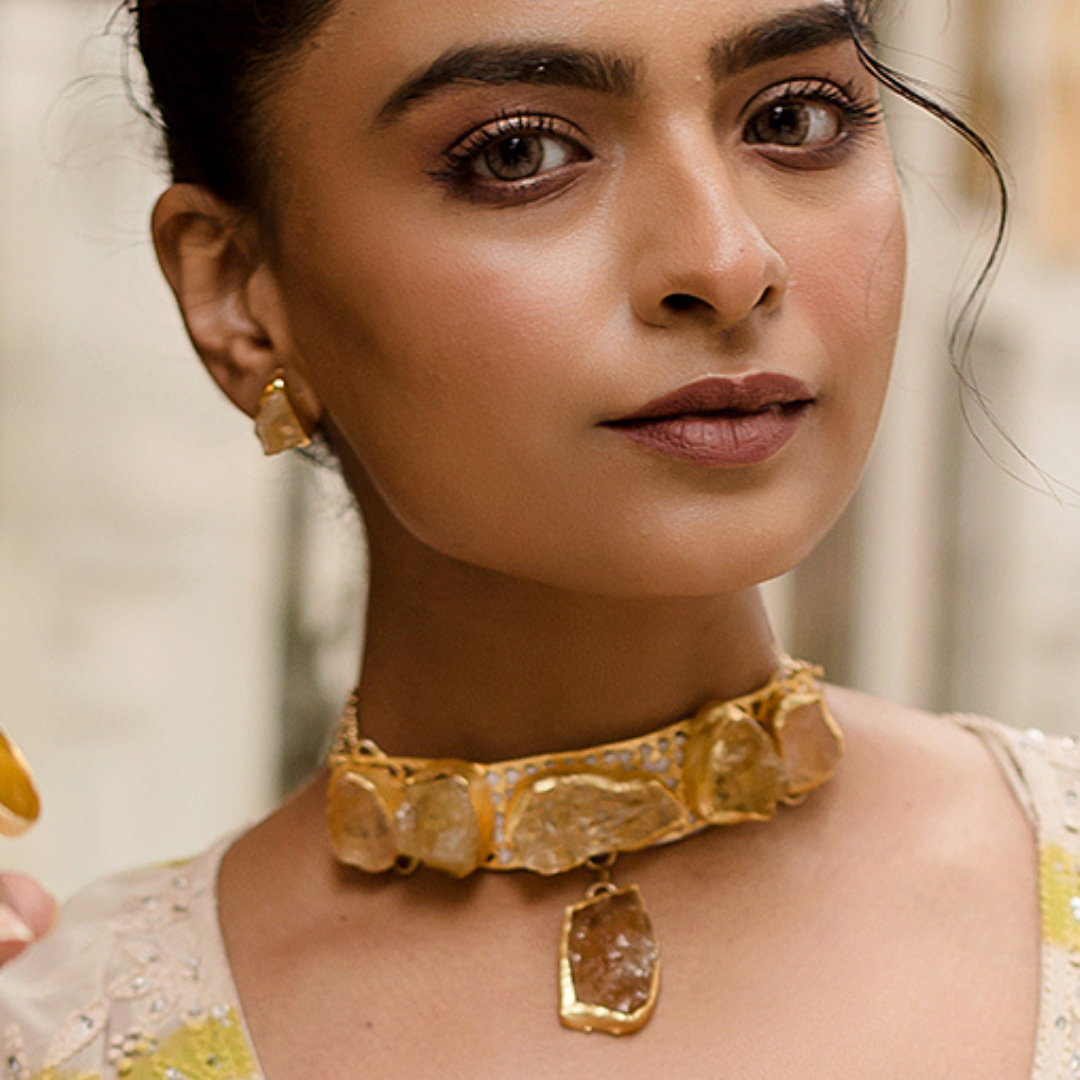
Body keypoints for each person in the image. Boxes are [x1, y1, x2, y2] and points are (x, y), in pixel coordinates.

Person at [0, 0, 1074, 1075]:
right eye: (520, 154)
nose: (728, 259)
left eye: (794, 119)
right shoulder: (63, 1033)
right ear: (239, 294)